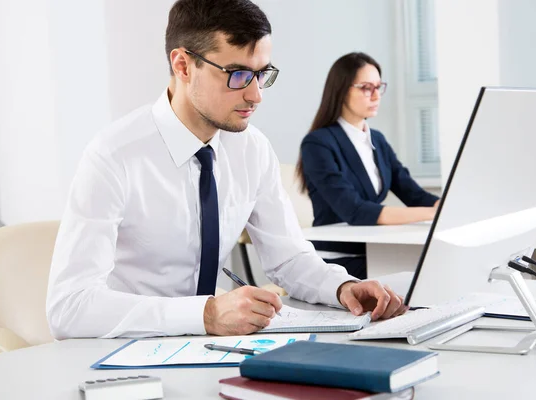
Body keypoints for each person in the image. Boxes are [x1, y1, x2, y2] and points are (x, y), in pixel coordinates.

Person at [46, 0, 408, 340]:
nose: (256, 96)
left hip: (210, 348)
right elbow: (69, 306)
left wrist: (342, 287)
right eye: (237, 74)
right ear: (183, 65)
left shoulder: (251, 148)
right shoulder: (114, 155)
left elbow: (289, 258)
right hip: (121, 355)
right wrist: (205, 314)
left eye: (261, 74)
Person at [295, 52, 440, 280]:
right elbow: (354, 211)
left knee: (432, 269)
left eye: (378, 87)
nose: (375, 96)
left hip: (374, 249)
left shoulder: (377, 140)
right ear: (341, 90)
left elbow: (413, 193)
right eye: (365, 87)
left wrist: (447, 206)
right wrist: (434, 213)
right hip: (337, 259)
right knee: (418, 278)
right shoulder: (318, 143)